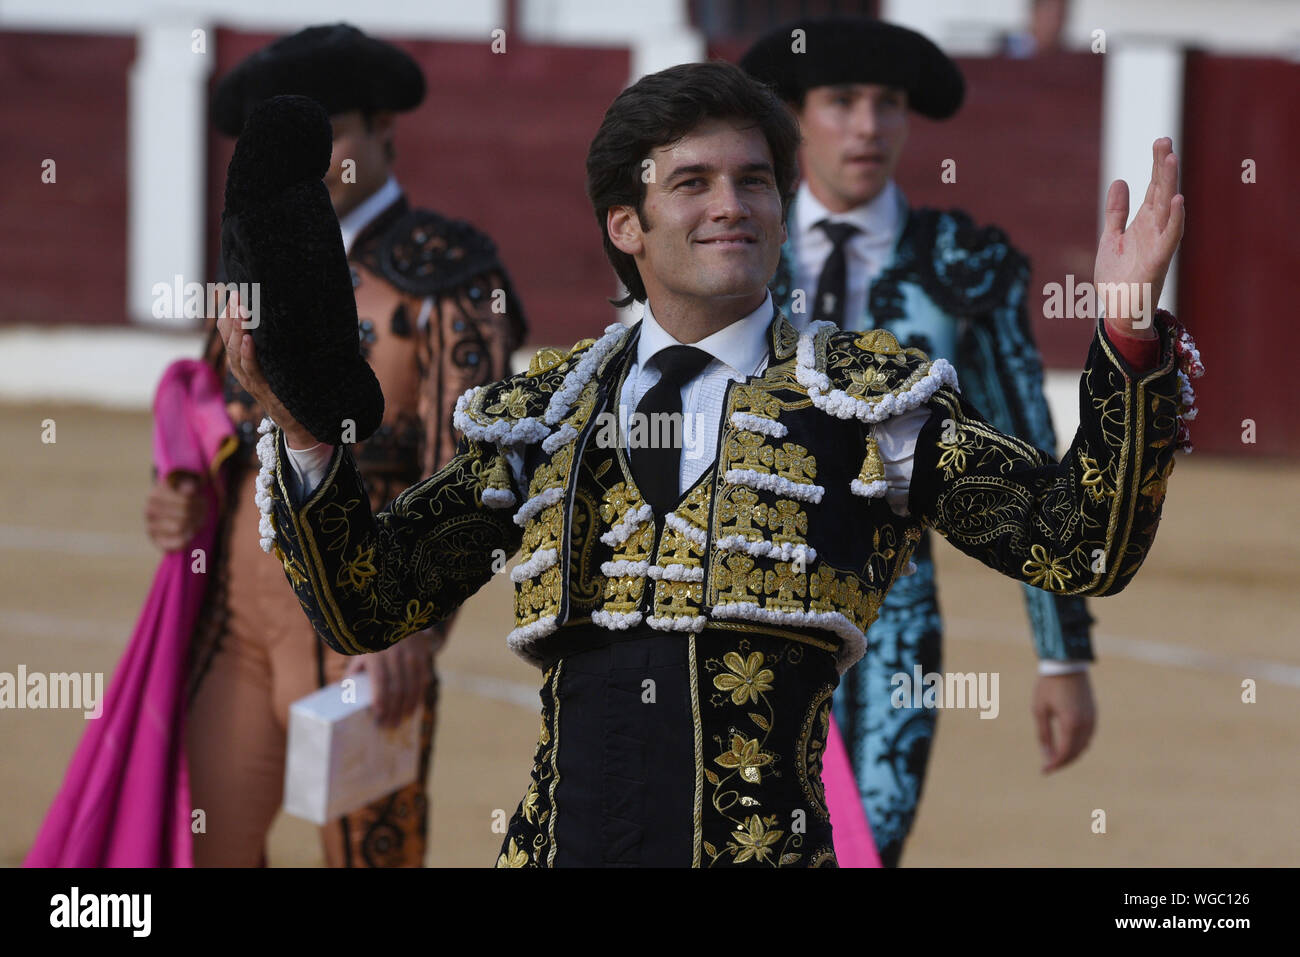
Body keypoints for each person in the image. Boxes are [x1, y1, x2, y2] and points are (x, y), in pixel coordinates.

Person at [219, 60, 1193, 867]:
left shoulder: (864, 402)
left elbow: (1076, 548)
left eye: (754, 179)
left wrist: (1127, 337)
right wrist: (304, 439)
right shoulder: (543, 416)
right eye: (691, 182)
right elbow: (369, 604)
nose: (732, 205)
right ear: (625, 227)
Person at [143, 23, 526, 867]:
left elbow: (473, 473)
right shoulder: (255, 272)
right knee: (210, 847)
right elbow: (219, 425)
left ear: (384, 124)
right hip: (235, 621)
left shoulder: (451, 275)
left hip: (365, 626)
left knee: (371, 861)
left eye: (329, 134)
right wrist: (178, 493)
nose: (307, 162)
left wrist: (415, 630)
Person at [739, 16, 1096, 866]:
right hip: (741, 594)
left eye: (888, 104)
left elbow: (1033, 457)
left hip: (897, 612)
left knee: (866, 851)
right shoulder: (736, 244)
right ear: (795, 116)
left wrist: (1061, 656)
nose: (868, 127)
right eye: (842, 102)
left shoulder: (966, 265)